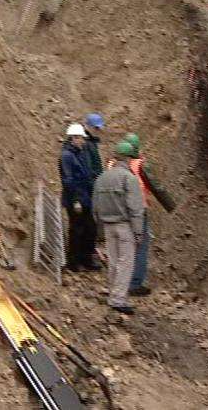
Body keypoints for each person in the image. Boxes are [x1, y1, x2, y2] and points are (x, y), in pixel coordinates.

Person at [118, 132, 176, 297]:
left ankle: (120, 281)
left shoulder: (113, 164)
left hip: (119, 211)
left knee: (124, 246)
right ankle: (135, 283)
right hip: (138, 211)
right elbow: (157, 187)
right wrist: (172, 206)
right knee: (141, 245)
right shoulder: (140, 165)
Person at [92, 141, 144, 314]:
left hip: (107, 225)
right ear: (129, 159)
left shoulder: (102, 178)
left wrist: (99, 230)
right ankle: (118, 299)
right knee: (126, 262)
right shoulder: (129, 178)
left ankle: (112, 294)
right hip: (125, 226)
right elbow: (135, 207)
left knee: (113, 261)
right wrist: (138, 231)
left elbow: (95, 206)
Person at [59, 123, 100, 272]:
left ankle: (86, 260)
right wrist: (75, 200)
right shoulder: (66, 156)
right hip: (75, 199)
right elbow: (68, 180)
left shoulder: (80, 152)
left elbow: (88, 174)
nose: (83, 141)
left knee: (90, 229)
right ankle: (74, 262)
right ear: (74, 138)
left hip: (86, 197)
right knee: (77, 230)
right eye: (81, 138)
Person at [84, 113, 105, 181]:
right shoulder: (85, 143)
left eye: (99, 128)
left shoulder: (92, 142)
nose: (98, 131)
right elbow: (87, 168)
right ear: (87, 126)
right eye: (96, 128)